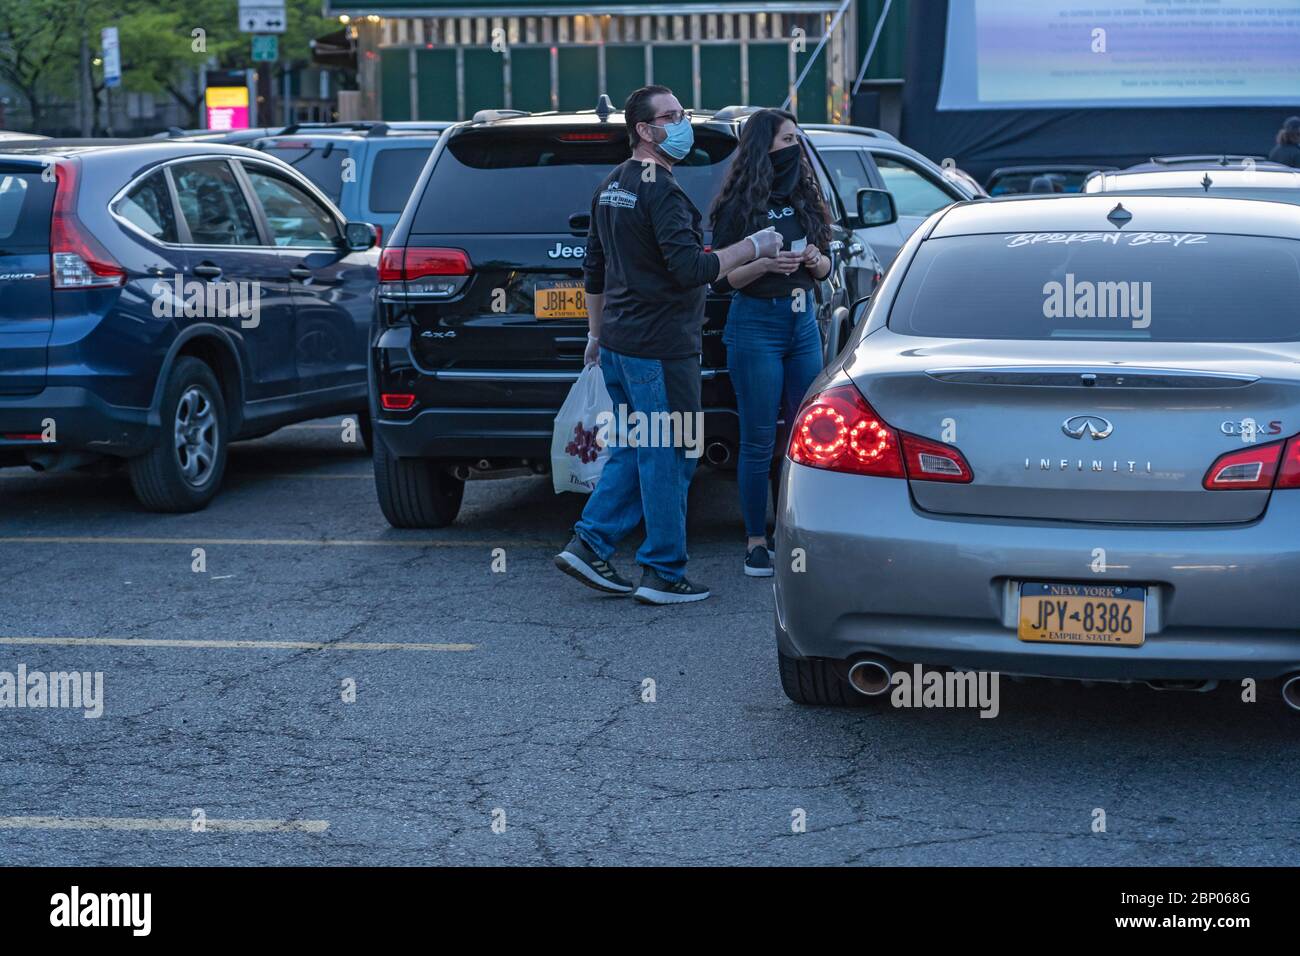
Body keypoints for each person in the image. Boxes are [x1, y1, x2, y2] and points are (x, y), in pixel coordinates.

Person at [553, 85, 784, 605]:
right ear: (644, 130)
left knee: (640, 447)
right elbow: (691, 270)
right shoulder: (663, 189)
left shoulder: (613, 183)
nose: (682, 123)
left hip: (620, 344)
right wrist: (755, 245)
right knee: (671, 452)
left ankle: (591, 543)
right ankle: (663, 571)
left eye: (681, 114)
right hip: (660, 350)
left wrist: (595, 336)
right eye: (671, 116)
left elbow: (594, 271)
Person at [708, 109, 833, 577]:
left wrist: (815, 259)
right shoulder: (738, 207)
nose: (795, 147)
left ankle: (797, 532)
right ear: (766, 147)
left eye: (798, 138)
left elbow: (826, 270)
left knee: (807, 437)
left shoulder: (805, 196)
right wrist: (763, 264)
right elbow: (722, 278)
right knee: (759, 438)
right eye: (787, 139)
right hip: (755, 326)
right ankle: (756, 541)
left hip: (802, 325)